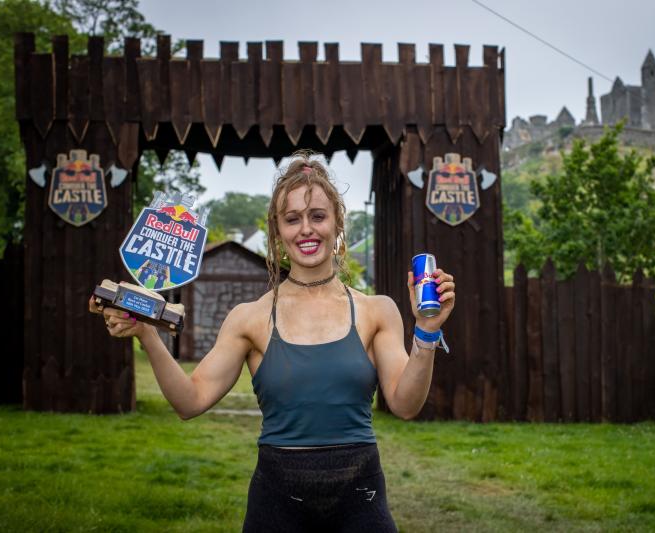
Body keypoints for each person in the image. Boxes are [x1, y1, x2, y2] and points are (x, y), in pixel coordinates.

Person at [89, 152, 455, 532]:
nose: (306, 229)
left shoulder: (377, 311)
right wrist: (147, 333)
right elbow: (189, 401)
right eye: (292, 219)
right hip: (276, 503)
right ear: (277, 231)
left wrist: (427, 329)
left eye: (318, 215)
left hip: (360, 499)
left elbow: (406, 404)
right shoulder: (250, 318)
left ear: (338, 223)